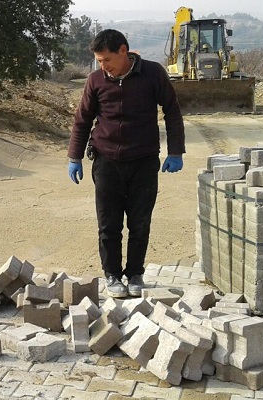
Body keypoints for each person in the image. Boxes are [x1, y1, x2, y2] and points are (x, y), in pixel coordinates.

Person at [67, 29, 185, 298]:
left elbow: (172, 111)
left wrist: (175, 151)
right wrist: (74, 157)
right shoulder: (96, 80)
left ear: (123, 51)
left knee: (139, 222)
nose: (102, 66)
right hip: (107, 160)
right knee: (108, 223)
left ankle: (134, 274)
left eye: (106, 59)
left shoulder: (153, 74)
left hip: (143, 161)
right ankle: (111, 275)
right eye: (98, 61)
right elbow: (82, 119)